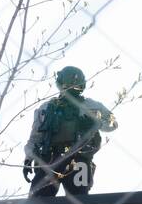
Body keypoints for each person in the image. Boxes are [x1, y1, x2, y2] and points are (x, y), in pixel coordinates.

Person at [23, 65, 118, 197]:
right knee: (38, 202)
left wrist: (95, 123)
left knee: (79, 201)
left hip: (78, 158)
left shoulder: (92, 106)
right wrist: (28, 158)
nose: (72, 87)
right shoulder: (47, 108)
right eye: (69, 84)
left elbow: (113, 123)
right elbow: (35, 138)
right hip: (51, 159)